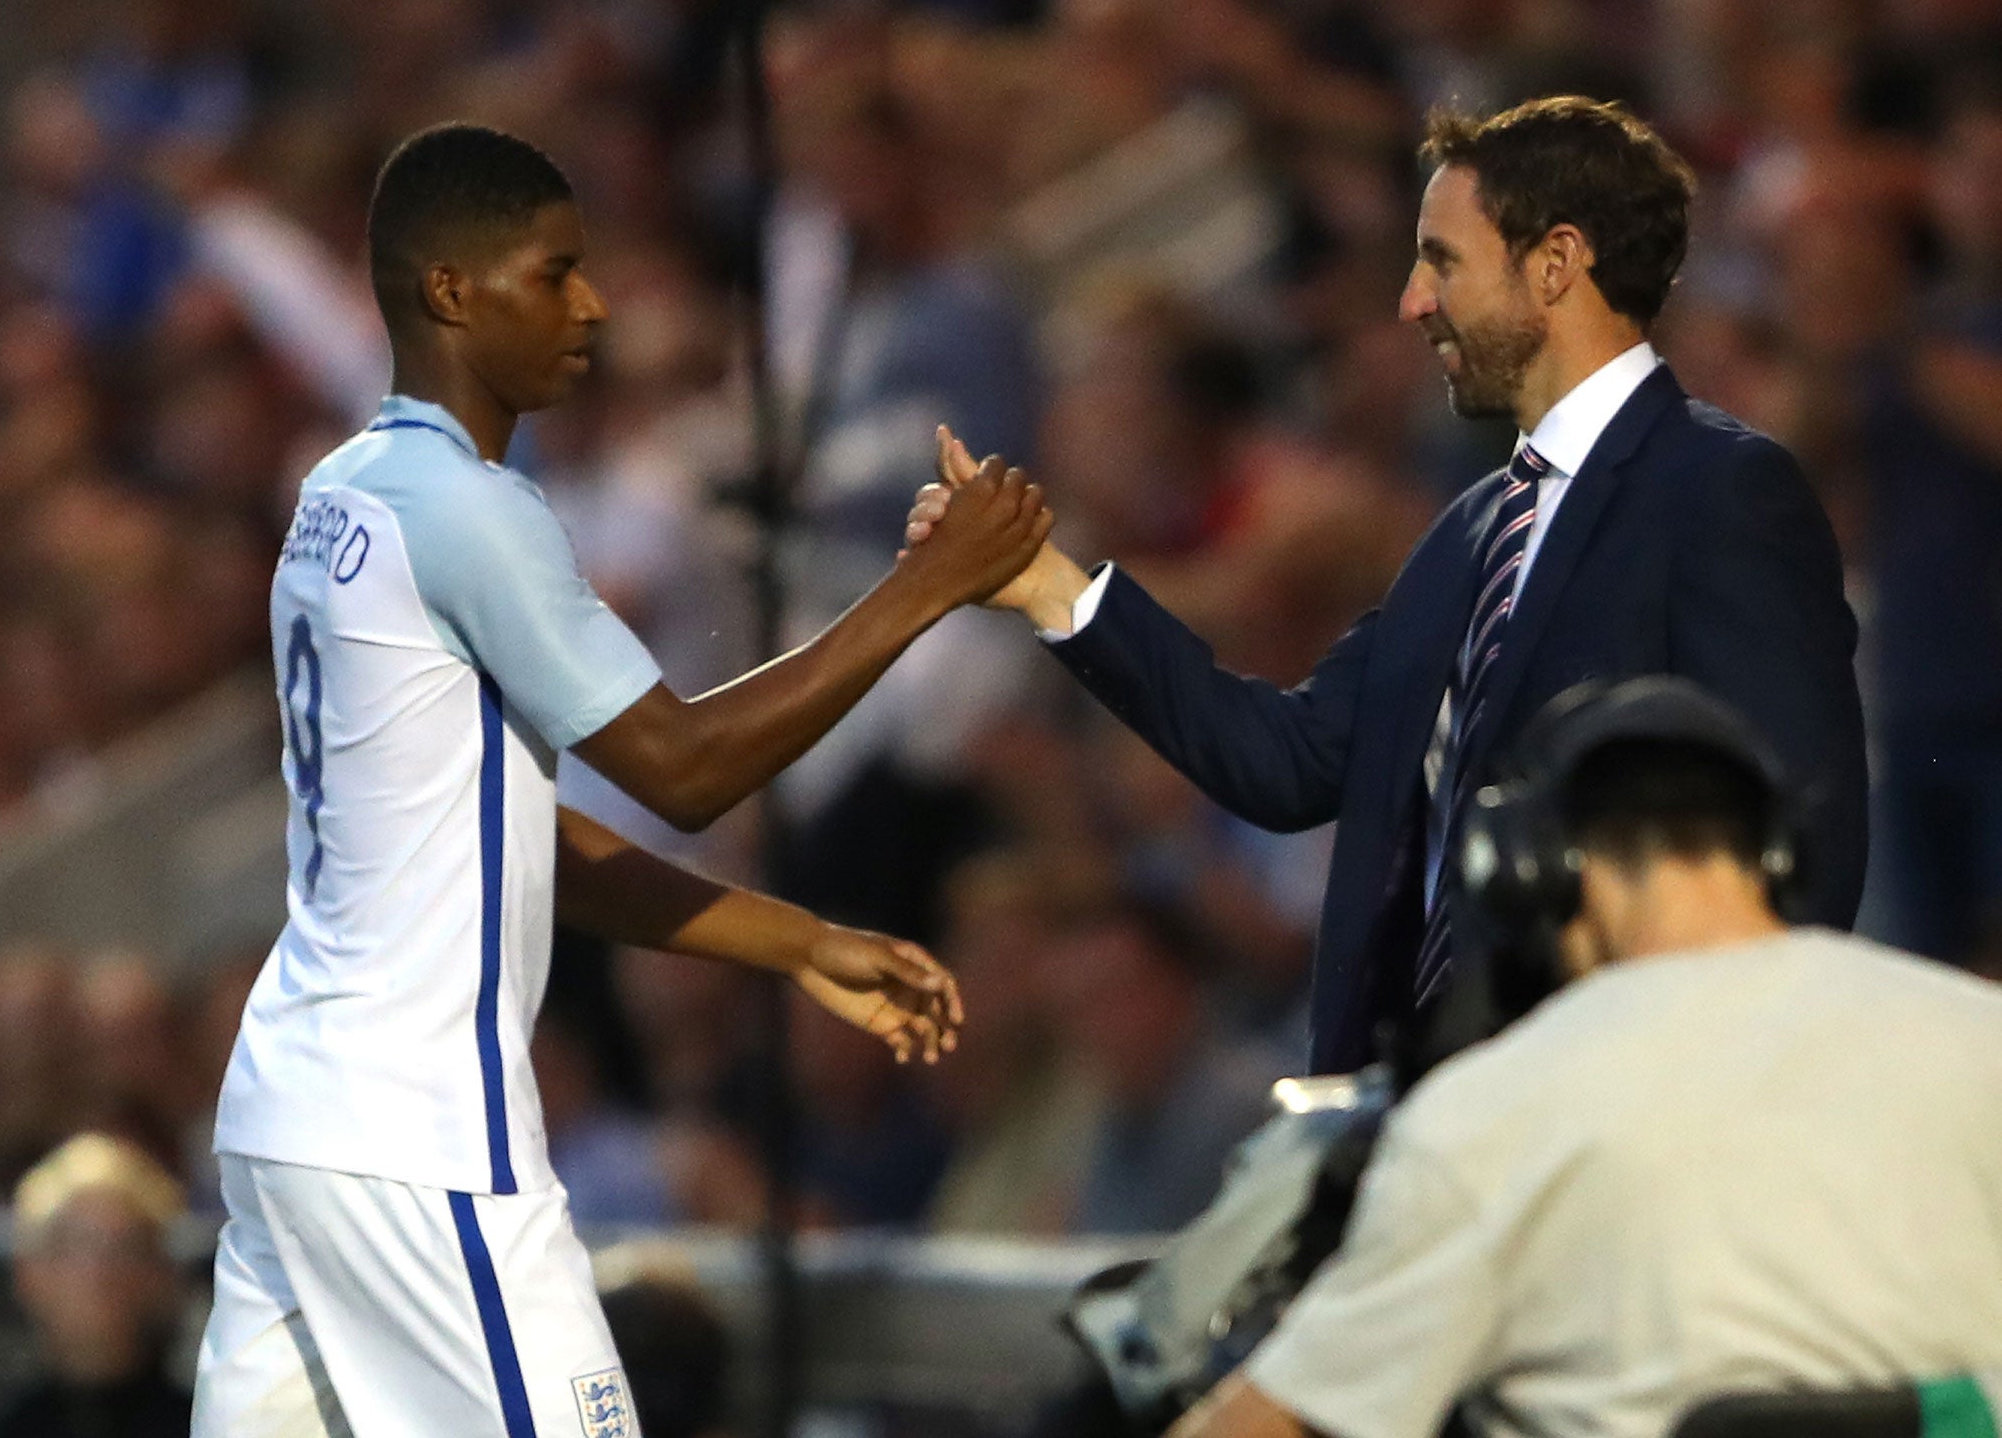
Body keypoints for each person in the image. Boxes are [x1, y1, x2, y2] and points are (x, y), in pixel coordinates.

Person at [191, 123, 1050, 1438]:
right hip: (421, 1140)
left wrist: (797, 941)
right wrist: (928, 588)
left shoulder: (338, 495)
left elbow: (511, 837)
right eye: (554, 273)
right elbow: (684, 768)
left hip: (291, 1119)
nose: (592, 304)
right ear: (450, 295)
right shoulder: (470, 511)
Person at [907, 94, 1867, 1074]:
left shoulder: (1719, 489)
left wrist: (1694, 1093)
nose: (1412, 299)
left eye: (1441, 262)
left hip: (1614, 1108)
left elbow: (1804, 826)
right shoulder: (1468, 531)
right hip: (1432, 1114)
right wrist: (1046, 586)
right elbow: (1284, 764)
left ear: (1553, 265)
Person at [1163, 677, 2002, 1438]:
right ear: (1778, 853)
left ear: (1530, 869)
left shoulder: (1489, 1110)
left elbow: (1280, 1424)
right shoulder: (1980, 1035)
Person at [0, 1132, 193, 1438]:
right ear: (27, 1271)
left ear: (161, 1274)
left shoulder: (208, 1425)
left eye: (125, 1248)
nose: (99, 1272)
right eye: (76, 1244)